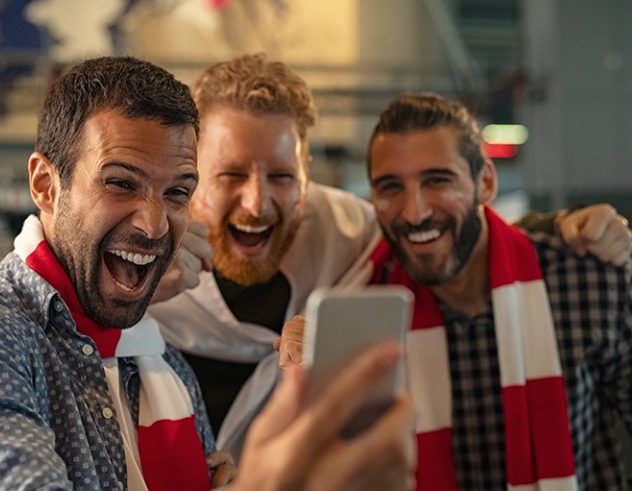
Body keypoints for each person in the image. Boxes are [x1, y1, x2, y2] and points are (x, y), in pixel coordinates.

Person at [0, 56, 417, 491]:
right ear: (46, 185)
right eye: (121, 183)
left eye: (178, 192)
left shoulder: (158, 358)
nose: (155, 224)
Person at [148, 53, 632, 460]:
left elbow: (441, 231)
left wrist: (558, 228)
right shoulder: (143, 261)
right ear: (193, 172)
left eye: (281, 176)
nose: (257, 203)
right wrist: (135, 290)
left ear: (307, 172)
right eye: (230, 175)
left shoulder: (346, 232)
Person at [364, 92, 631, 491]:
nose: (414, 212)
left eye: (438, 180)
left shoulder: (585, 279)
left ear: (485, 182)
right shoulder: (367, 310)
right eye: (391, 187)